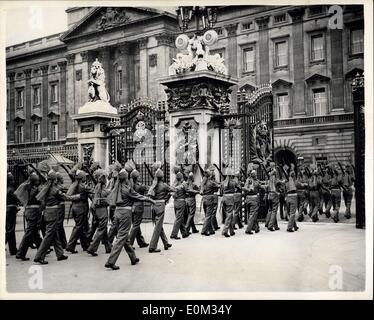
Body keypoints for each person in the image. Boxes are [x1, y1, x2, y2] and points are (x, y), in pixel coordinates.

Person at [105, 169, 155, 270]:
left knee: (125, 237)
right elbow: (138, 196)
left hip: (117, 213)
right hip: (125, 214)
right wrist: (149, 199)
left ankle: (133, 258)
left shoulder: (116, 187)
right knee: (121, 237)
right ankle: (111, 261)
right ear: (126, 178)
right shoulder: (127, 189)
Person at [33, 170, 81, 264]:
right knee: (48, 236)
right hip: (53, 213)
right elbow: (66, 197)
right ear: (55, 180)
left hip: (47, 213)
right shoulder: (55, 190)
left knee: (54, 234)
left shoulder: (45, 188)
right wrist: (78, 196)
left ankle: (60, 254)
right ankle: (39, 256)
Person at [15, 173, 42, 261]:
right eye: (37, 180)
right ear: (34, 181)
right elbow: (39, 197)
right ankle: (21, 253)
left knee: (34, 232)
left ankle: (42, 249)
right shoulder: (33, 189)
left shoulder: (27, 187)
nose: (38, 182)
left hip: (30, 212)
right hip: (33, 212)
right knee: (30, 232)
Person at [65, 170, 93, 254]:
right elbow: (68, 196)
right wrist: (79, 196)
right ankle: (70, 245)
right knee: (78, 227)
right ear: (82, 177)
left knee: (82, 226)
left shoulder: (74, 184)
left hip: (76, 208)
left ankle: (85, 245)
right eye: (85, 176)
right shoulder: (82, 186)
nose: (86, 177)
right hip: (80, 208)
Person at [86, 169, 112, 256]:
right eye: (104, 177)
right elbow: (104, 195)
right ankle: (92, 248)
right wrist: (111, 190)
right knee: (102, 228)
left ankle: (108, 247)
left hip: (97, 209)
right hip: (101, 209)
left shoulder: (98, 185)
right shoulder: (101, 186)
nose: (106, 179)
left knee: (103, 229)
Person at [147, 168, 173, 253]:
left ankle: (166, 243)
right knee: (158, 226)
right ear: (162, 177)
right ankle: (152, 246)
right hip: (161, 205)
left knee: (159, 225)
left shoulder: (153, 185)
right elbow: (173, 190)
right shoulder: (164, 185)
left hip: (154, 205)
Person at [128, 169, 149, 248]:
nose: (140, 177)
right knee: (136, 225)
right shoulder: (139, 186)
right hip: (139, 206)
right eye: (139, 176)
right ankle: (130, 243)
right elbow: (147, 188)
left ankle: (141, 241)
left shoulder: (131, 185)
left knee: (136, 224)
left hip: (133, 206)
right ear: (136, 177)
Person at [200, 169, 220, 236]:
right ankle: (204, 230)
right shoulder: (210, 182)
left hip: (204, 199)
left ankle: (211, 230)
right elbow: (218, 186)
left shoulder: (203, 182)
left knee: (207, 215)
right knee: (208, 216)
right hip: (209, 199)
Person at [170, 172, 190, 239]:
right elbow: (187, 190)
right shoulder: (183, 184)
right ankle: (173, 234)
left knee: (180, 217)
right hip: (181, 201)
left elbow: (172, 192)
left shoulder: (174, 184)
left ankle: (184, 233)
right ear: (181, 178)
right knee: (179, 218)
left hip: (175, 201)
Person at [242, 169, 262, 235]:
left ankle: (256, 228)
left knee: (253, 214)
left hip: (248, 199)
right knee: (253, 214)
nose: (256, 175)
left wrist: (247, 189)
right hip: (253, 199)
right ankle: (248, 229)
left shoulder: (248, 180)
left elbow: (244, 188)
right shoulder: (255, 181)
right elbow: (260, 186)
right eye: (255, 174)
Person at [6, 172, 20, 256]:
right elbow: (17, 198)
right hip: (11, 210)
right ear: (10, 181)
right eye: (12, 179)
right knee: (10, 230)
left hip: (8, 209)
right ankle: (13, 249)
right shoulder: (11, 189)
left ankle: (13, 249)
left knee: (10, 230)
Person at [221, 172, 238, 237]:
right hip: (230, 198)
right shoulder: (233, 182)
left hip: (224, 198)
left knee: (228, 215)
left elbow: (221, 190)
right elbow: (238, 187)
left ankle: (231, 231)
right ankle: (225, 231)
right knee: (229, 215)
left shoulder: (223, 182)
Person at [265, 162, 281, 231]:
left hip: (269, 194)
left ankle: (271, 224)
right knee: (274, 210)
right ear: (274, 166)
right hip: (274, 193)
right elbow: (277, 182)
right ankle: (270, 225)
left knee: (270, 209)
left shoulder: (268, 174)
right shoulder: (275, 173)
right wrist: (282, 182)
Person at [55, 172, 67, 249]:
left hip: (59, 207)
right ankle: (62, 243)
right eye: (62, 178)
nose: (63, 179)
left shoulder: (58, 187)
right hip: (60, 207)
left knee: (59, 225)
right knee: (59, 225)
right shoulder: (59, 188)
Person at [285, 166, 299, 232]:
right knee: (292, 213)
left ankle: (295, 226)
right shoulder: (295, 181)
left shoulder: (286, 181)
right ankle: (289, 227)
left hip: (287, 197)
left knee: (290, 213)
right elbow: (299, 185)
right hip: (293, 197)